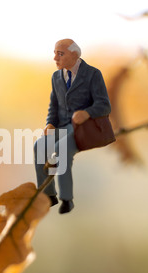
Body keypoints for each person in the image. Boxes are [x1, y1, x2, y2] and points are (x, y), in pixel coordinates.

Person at [34, 39, 111, 214]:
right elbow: (53, 105)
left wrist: (88, 112)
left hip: (81, 128)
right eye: (54, 53)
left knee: (62, 150)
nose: (55, 58)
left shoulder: (92, 74)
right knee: (39, 146)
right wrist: (50, 123)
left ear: (74, 55)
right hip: (61, 126)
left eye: (60, 54)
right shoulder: (56, 77)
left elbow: (105, 105)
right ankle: (48, 195)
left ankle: (67, 199)